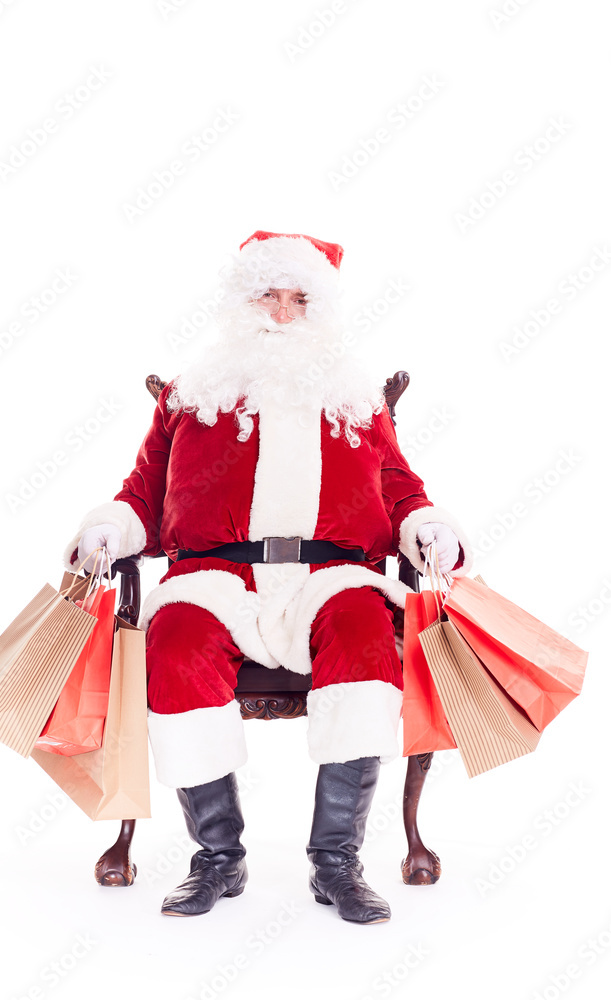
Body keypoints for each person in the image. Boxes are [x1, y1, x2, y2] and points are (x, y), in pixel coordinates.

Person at [63, 230, 471, 924]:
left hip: (332, 578)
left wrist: (426, 524)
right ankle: (218, 858)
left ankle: (335, 861)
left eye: (298, 299)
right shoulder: (191, 398)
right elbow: (141, 493)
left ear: (319, 311)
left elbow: (399, 487)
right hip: (214, 581)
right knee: (176, 643)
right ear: (239, 302)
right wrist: (109, 528)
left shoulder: (353, 401)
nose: (281, 314)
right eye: (266, 296)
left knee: (366, 637)